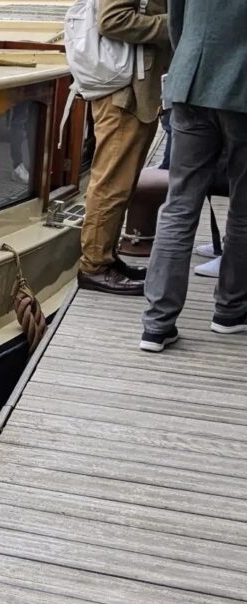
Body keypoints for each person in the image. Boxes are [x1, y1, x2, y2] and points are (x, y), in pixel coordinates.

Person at [140, 0, 247, 351]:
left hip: (192, 79)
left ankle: (157, 324)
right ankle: (230, 311)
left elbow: (177, 18)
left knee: (179, 204)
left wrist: (189, 58)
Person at [76, 0, 171, 295]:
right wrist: (176, 23)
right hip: (124, 94)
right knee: (111, 184)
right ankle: (94, 267)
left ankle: (106, 258)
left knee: (120, 183)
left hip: (135, 91)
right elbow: (112, 20)